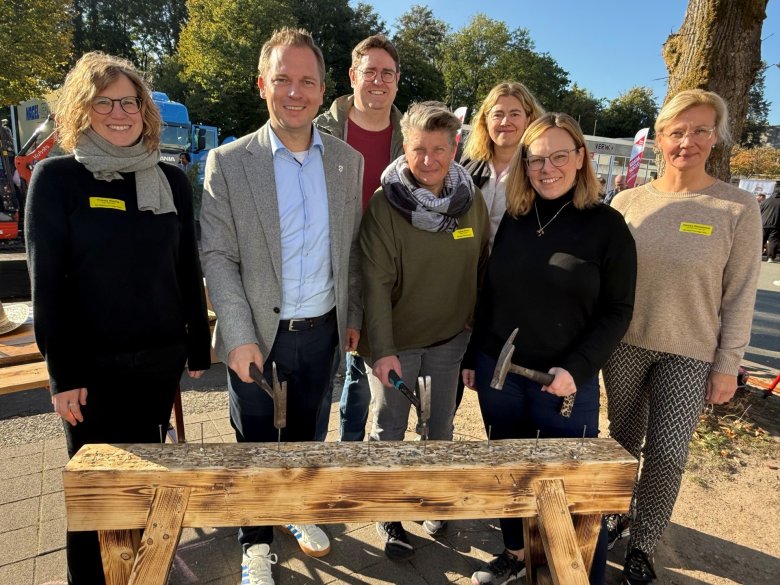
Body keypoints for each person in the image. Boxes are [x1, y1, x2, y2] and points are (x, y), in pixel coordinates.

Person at [25, 51, 211, 585]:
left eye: (128, 101)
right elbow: (48, 284)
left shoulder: (170, 181)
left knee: (147, 479)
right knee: (94, 492)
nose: (119, 112)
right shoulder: (57, 178)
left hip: (156, 363)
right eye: (103, 102)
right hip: (91, 371)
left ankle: (141, 572)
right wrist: (62, 374)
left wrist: (197, 346)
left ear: (145, 109)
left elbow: (185, 267)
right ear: (81, 110)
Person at [200, 28, 363, 585]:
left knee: (307, 433)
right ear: (263, 85)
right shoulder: (228, 163)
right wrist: (238, 332)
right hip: (255, 335)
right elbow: (217, 255)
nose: (295, 92)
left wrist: (354, 321)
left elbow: (352, 251)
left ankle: (295, 509)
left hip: (322, 330)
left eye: (307, 81)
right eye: (283, 80)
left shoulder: (346, 162)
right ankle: (255, 543)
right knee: (253, 443)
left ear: (323, 91)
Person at [463, 113, 637, 585]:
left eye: (560, 155)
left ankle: (578, 573)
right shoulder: (517, 219)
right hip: (500, 375)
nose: (547, 168)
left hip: (563, 382)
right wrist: (472, 356)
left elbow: (618, 310)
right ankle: (518, 554)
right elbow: (489, 293)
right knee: (511, 473)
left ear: (582, 158)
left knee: (575, 490)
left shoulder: (608, 227)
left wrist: (578, 368)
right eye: (536, 158)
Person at [603, 89, 762, 585]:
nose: (686, 141)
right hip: (626, 343)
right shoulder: (627, 201)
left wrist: (727, 363)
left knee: (668, 452)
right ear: (660, 139)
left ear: (716, 137)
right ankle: (615, 513)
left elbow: (740, 294)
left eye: (699, 130)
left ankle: (645, 542)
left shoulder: (737, 208)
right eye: (676, 131)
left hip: (692, 351)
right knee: (622, 442)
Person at [359, 101, 489, 560]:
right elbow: (373, 284)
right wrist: (384, 350)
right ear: (404, 147)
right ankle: (387, 508)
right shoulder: (384, 204)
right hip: (396, 343)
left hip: (449, 341)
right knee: (389, 426)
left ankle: (433, 496)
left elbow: (482, 263)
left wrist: (473, 325)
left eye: (440, 148)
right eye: (419, 149)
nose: (429, 160)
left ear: (455, 147)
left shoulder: (469, 200)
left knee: (440, 426)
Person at [314, 34, 404, 442]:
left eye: (387, 73)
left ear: (397, 81)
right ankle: (347, 448)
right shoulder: (322, 130)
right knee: (348, 369)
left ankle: (372, 452)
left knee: (374, 365)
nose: (378, 81)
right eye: (370, 71)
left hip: (388, 269)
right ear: (353, 76)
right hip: (331, 266)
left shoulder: (411, 138)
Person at [460, 81, 544, 249]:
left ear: (529, 119)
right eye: (498, 114)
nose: (505, 121)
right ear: (486, 120)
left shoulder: (540, 171)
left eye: (514, 114)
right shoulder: (466, 166)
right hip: (467, 269)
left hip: (515, 271)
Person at [760, 190, 780, 262]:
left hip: (763, 224)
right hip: (776, 225)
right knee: (773, 241)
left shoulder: (765, 201)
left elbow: (759, 211)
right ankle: (770, 258)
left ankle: (757, 256)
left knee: (761, 240)